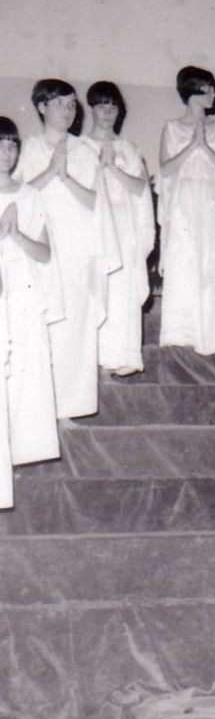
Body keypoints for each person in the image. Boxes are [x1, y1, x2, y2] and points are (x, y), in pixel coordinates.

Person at [15, 79, 120, 419]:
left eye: (73, 104)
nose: (68, 111)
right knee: (43, 325)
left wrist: (66, 178)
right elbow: (17, 193)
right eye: (60, 104)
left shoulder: (85, 149)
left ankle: (71, 407)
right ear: (42, 107)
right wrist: (50, 171)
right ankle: (39, 410)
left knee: (76, 325)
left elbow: (97, 201)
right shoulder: (28, 148)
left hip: (78, 249)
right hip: (40, 247)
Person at [158, 66, 215, 356]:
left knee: (209, 264)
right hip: (182, 207)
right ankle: (180, 334)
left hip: (210, 205)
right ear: (193, 91)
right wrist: (192, 145)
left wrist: (207, 147)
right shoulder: (171, 128)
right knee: (183, 261)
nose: (214, 94)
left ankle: (207, 336)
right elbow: (166, 169)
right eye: (209, 89)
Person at [84, 81, 155, 376]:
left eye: (112, 106)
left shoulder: (128, 149)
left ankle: (120, 357)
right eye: (101, 105)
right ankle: (92, 358)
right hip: (93, 225)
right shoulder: (79, 146)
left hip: (124, 227)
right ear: (91, 109)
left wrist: (113, 167)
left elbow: (140, 188)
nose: (107, 112)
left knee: (121, 289)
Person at [0, 117, 57, 481]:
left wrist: (16, 233)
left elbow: (45, 253)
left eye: (11, 146)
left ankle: (17, 454)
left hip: (22, 290)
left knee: (23, 370)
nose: (6, 154)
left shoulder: (29, 196)